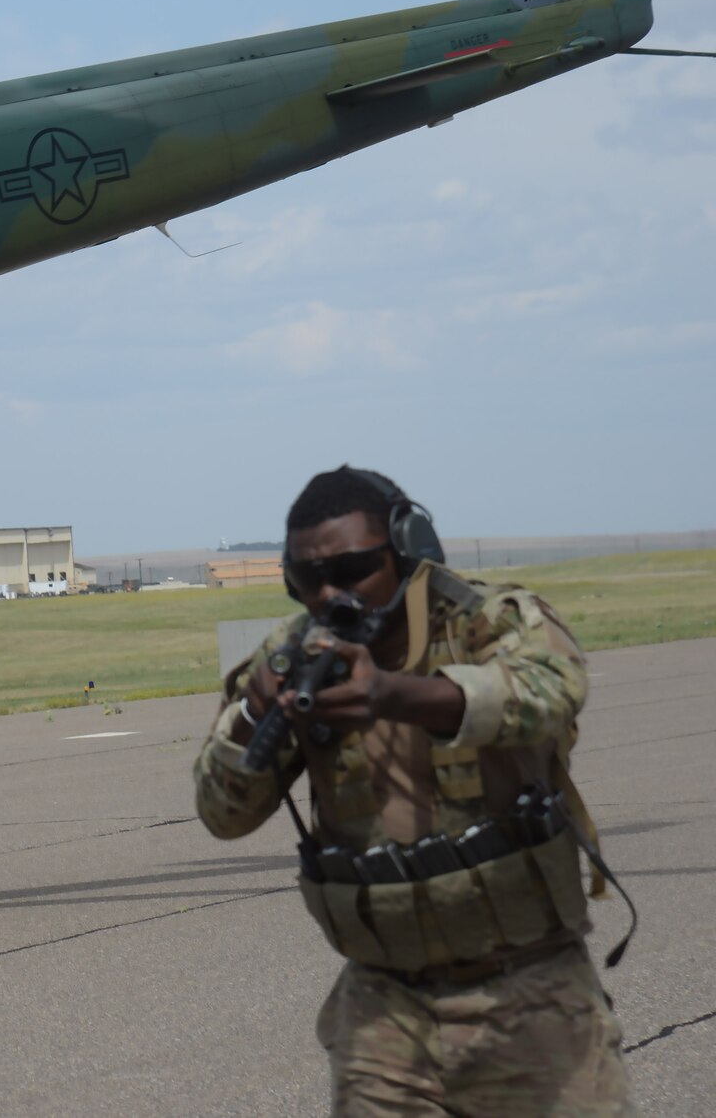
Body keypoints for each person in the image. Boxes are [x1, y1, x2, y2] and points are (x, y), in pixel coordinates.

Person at [192, 466, 632, 1116]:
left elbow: (549, 693)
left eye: (351, 570)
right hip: (384, 1008)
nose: (330, 594)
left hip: (528, 993)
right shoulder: (296, 658)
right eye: (308, 579)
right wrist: (257, 717)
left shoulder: (488, 621)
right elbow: (222, 815)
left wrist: (394, 694)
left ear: (406, 550)